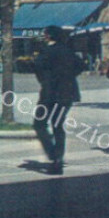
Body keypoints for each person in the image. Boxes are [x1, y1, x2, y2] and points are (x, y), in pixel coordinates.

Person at [32, 25, 83, 174]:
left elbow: (36, 66)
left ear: (48, 36)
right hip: (67, 94)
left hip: (49, 94)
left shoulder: (47, 51)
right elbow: (81, 65)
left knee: (39, 123)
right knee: (58, 125)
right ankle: (58, 158)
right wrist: (68, 77)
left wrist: (45, 80)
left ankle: (52, 153)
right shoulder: (68, 51)